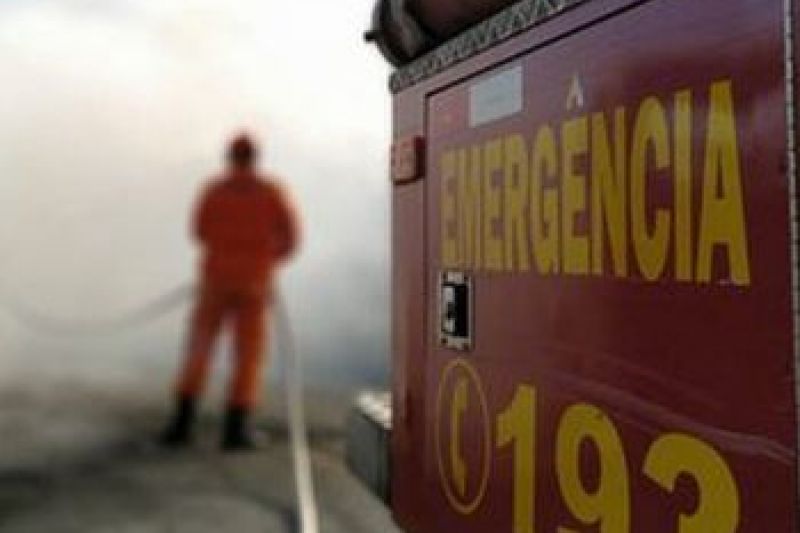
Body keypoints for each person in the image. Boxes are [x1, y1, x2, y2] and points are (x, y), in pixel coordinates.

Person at [161, 133, 299, 450]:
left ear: (230, 156)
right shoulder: (271, 192)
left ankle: (181, 425)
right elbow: (290, 239)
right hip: (253, 286)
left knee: (199, 349)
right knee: (248, 356)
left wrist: (226, 256)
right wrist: (262, 262)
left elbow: (199, 231)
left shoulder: (214, 191)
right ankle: (235, 431)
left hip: (215, 283)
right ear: (255, 157)